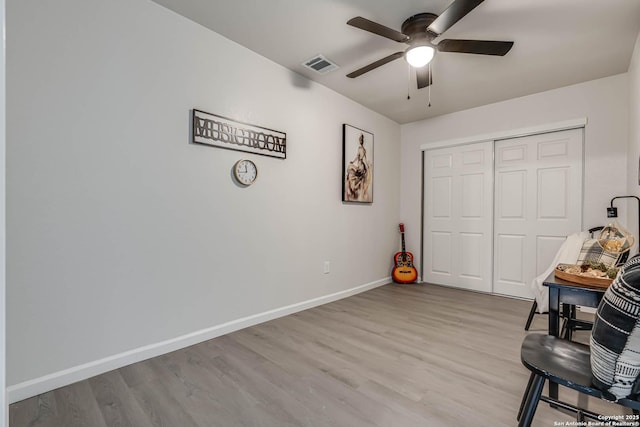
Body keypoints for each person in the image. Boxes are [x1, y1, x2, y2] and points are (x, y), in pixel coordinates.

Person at [345, 133, 372, 201]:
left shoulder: (362, 149)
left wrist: (368, 166)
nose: (361, 141)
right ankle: (356, 185)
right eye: (360, 140)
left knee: (357, 175)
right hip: (360, 165)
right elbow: (357, 157)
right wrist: (353, 162)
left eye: (361, 140)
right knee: (350, 169)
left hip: (361, 166)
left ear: (362, 140)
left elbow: (364, 158)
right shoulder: (360, 148)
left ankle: (359, 188)